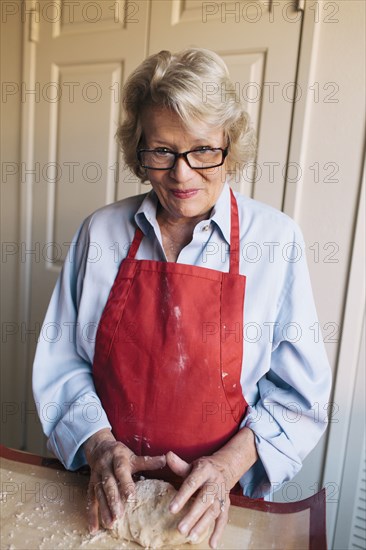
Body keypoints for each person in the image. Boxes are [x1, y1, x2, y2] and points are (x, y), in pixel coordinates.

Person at [33, 48, 331, 548]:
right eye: (162, 151)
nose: (182, 174)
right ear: (139, 150)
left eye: (203, 150)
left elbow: (298, 398)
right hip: (108, 489)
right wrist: (100, 446)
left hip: (213, 500)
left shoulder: (275, 242)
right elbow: (62, 362)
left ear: (229, 147)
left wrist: (224, 467)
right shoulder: (101, 233)